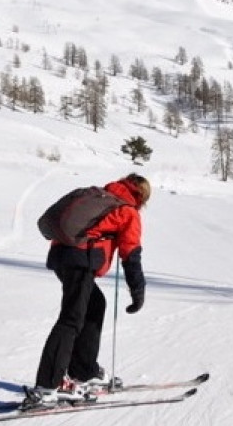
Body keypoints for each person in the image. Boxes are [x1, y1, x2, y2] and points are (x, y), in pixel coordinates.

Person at [23, 173, 150, 408]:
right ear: (141, 196)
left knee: (95, 305)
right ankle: (47, 387)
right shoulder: (127, 211)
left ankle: (84, 370)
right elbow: (131, 255)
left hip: (62, 255)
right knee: (71, 320)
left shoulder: (100, 196)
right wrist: (138, 292)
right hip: (81, 260)